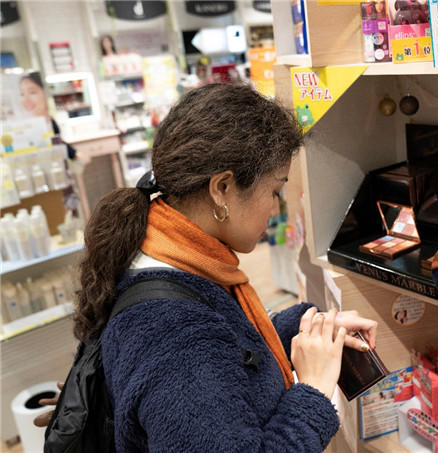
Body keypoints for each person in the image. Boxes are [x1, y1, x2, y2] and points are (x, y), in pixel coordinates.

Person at [67, 83, 377, 452]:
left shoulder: (163, 251)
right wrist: (313, 390)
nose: (275, 209)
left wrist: (307, 330)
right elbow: (202, 359)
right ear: (222, 188)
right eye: (274, 191)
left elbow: (228, 357)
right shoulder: (176, 335)